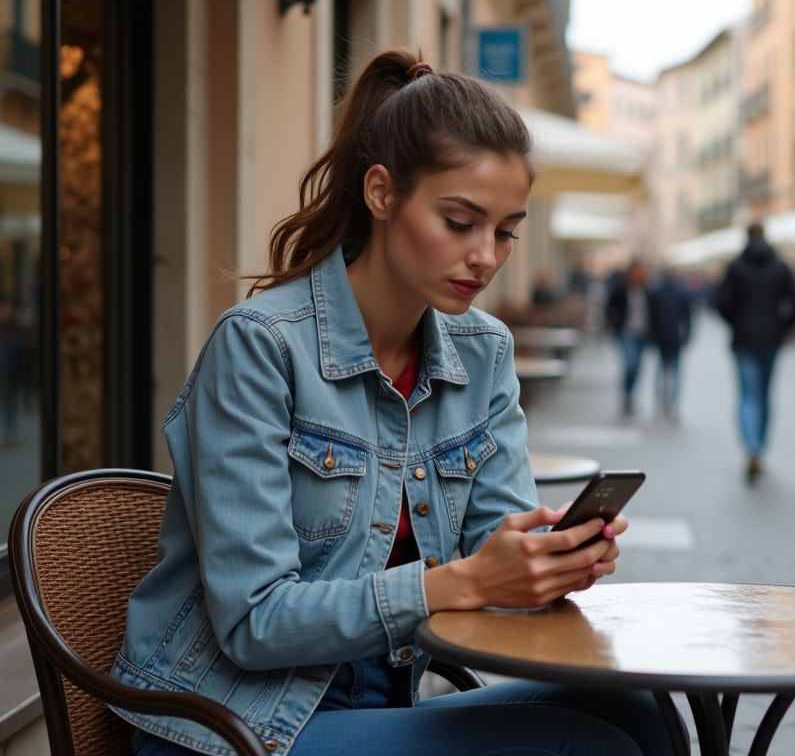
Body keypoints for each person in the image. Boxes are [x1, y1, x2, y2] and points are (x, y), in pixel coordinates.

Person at [111, 51, 671, 756]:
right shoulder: (260, 348)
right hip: (234, 722)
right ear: (381, 193)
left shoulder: (483, 352)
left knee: (637, 705)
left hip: (381, 703)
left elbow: (488, 559)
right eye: (460, 221)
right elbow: (255, 623)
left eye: (504, 231)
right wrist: (461, 581)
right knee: (581, 746)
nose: (487, 257)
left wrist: (542, 561)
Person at [717, 223, 795, 479]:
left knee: (747, 395)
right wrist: (783, 324)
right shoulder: (780, 266)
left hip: (744, 338)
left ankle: (751, 444)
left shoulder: (736, 267)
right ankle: (760, 446)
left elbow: (722, 303)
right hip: (772, 338)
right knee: (765, 395)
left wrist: (737, 322)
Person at [606, 260, 651, 415]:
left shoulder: (647, 290)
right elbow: (609, 308)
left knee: (638, 367)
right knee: (630, 364)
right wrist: (613, 323)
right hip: (625, 333)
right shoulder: (621, 290)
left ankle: (630, 396)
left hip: (642, 334)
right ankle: (626, 394)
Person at [648, 266, 692, 421]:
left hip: (664, 337)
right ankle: (670, 403)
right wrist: (687, 335)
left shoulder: (657, 293)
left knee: (663, 370)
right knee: (673, 371)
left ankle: (663, 402)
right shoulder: (680, 293)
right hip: (674, 337)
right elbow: (687, 318)